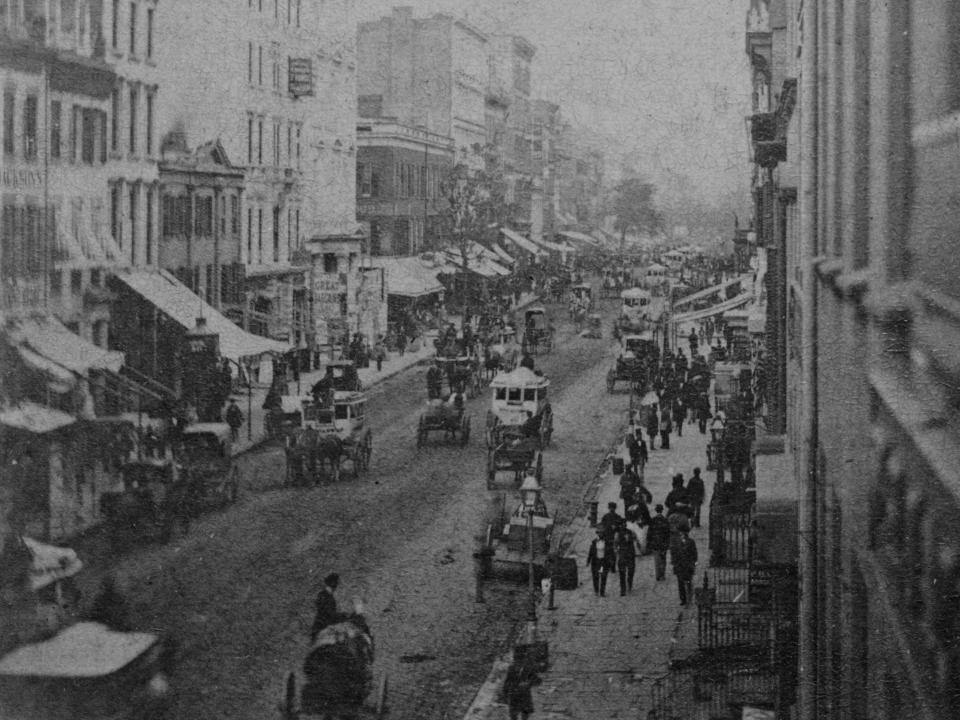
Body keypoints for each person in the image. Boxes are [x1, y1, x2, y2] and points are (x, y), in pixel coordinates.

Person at [503, 655, 541, 720]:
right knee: (513, 714)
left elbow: (537, 680)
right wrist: (505, 692)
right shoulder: (511, 668)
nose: (518, 663)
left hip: (524, 695)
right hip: (514, 694)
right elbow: (507, 680)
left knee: (525, 713)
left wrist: (528, 683)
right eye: (516, 661)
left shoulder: (529, 669)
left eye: (520, 662)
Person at [309, 573, 344, 642]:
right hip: (323, 625)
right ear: (334, 585)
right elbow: (329, 613)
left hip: (321, 624)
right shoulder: (324, 596)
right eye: (336, 584)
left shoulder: (326, 596)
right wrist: (342, 616)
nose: (336, 587)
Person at [672, 528, 698, 606]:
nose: (682, 535)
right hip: (679, 565)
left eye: (683, 534)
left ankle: (689, 598)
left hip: (688, 565)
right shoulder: (676, 543)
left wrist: (694, 562)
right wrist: (674, 563)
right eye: (680, 534)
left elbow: (694, 553)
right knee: (680, 583)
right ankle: (683, 599)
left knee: (688, 581)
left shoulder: (691, 542)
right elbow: (673, 554)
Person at [586, 528, 616, 597]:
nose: (600, 534)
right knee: (596, 576)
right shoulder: (594, 542)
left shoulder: (607, 542)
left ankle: (602, 592)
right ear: (597, 534)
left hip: (603, 562)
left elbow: (611, 552)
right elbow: (591, 552)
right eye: (599, 533)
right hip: (596, 562)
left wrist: (611, 560)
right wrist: (588, 561)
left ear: (603, 534)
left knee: (603, 576)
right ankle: (596, 590)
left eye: (602, 533)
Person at [647, 505, 671, 581]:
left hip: (655, 543)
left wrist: (649, 542)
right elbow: (668, 533)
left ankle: (658, 575)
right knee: (663, 559)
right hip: (663, 542)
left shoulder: (652, 520)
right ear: (662, 510)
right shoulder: (665, 520)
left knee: (657, 559)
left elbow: (649, 533)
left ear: (656, 510)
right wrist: (668, 543)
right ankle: (662, 575)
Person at [615, 525, 638, 595]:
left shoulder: (631, 532)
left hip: (630, 555)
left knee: (631, 571)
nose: (623, 526)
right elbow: (615, 544)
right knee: (622, 573)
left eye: (624, 524)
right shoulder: (618, 534)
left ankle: (629, 584)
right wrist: (616, 550)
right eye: (622, 524)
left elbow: (635, 538)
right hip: (623, 555)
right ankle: (623, 590)